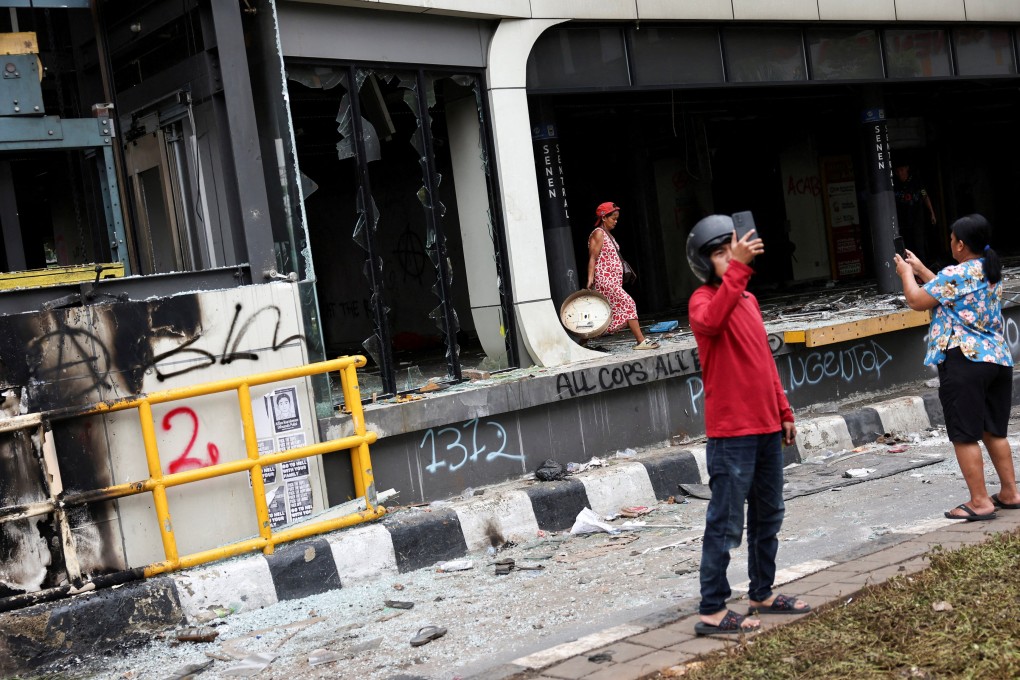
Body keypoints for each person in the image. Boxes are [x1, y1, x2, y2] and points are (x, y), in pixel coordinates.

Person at [685, 214, 808, 636]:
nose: (730, 259)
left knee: (769, 514)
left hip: (766, 429)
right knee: (726, 522)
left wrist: (784, 411)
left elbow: (764, 363)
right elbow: (712, 321)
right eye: (720, 254)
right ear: (705, 263)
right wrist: (737, 268)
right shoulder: (702, 301)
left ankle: (762, 593)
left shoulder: (750, 302)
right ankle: (713, 610)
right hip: (731, 436)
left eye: (732, 250)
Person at [894, 213, 1020, 521]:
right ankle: (1010, 493)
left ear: (961, 244)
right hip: (997, 360)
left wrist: (904, 274)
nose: (950, 243)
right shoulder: (990, 269)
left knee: (964, 435)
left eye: (952, 240)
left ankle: (979, 502)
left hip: (964, 360)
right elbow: (947, 289)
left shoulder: (956, 274)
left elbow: (916, 300)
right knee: (994, 431)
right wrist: (921, 269)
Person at [586, 201, 659, 349]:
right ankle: (640, 341)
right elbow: (592, 257)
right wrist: (589, 279)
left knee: (604, 315)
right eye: (613, 218)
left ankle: (583, 343)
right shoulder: (598, 233)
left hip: (612, 280)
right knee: (629, 304)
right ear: (604, 217)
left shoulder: (608, 235)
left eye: (617, 218)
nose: (616, 221)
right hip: (605, 280)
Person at [894, 164, 937, 263]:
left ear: (907, 169)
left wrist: (932, 213)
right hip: (903, 221)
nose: (900, 173)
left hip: (917, 219)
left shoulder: (916, 182)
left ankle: (923, 268)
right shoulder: (895, 184)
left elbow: (925, 196)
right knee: (907, 246)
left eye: (901, 170)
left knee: (919, 245)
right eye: (897, 171)